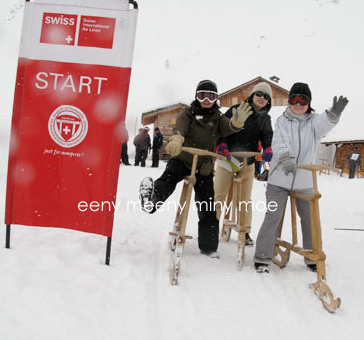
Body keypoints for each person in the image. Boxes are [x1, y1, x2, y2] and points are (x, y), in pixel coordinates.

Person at [138, 79, 252, 257]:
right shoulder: (188, 114)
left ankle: (208, 246)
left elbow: (226, 128)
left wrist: (235, 123)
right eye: (202, 95)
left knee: (207, 205)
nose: (206, 100)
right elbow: (180, 128)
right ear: (196, 96)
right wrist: (176, 139)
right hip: (183, 160)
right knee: (169, 178)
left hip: (203, 167)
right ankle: (152, 199)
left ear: (215, 99)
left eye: (211, 96)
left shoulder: (217, 118)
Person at [253, 82, 349, 273]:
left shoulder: (313, 123)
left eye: (302, 100)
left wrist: (333, 115)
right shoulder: (282, 121)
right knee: (273, 215)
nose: (298, 104)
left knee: (309, 217)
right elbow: (280, 142)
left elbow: (324, 123)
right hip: (279, 179)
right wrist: (286, 157)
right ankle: (262, 257)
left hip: (304, 180)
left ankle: (312, 256)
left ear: (308, 102)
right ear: (289, 101)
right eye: (294, 100)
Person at [214, 82, 273, 246]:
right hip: (228, 158)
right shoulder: (236, 109)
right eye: (259, 94)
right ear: (253, 95)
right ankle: (211, 228)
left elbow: (267, 135)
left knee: (244, 199)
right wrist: (221, 143)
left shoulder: (265, 118)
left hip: (247, 161)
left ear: (269, 101)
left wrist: (268, 147)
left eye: (266, 97)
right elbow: (222, 128)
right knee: (219, 195)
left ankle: (245, 231)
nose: (261, 98)